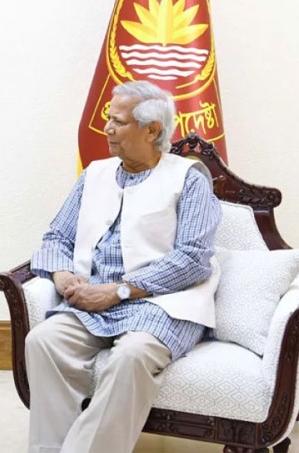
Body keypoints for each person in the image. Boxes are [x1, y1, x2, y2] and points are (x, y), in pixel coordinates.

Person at [26, 81, 222, 453]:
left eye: (118, 122)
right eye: (108, 119)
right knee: (44, 341)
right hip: (93, 300)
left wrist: (119, 290)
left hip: (161, 304)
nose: (108, 129)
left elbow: (193, 259)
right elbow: (56, 238)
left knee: (131, 357)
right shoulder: (94, 174)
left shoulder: (189, 180)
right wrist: (60, 273)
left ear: (152, 130)